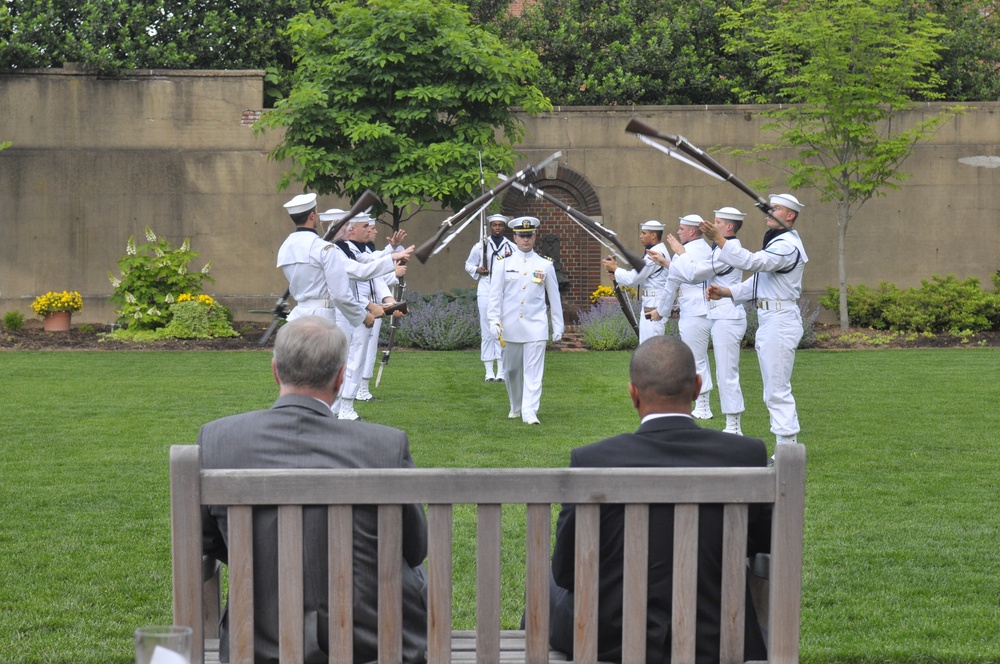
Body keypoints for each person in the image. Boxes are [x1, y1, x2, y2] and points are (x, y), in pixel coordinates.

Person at [199, 316, 428, 664]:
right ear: (340, 378)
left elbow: (205, 540)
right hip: (377, 648)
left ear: (276, 371)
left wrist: (263, 554)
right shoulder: (384, 446)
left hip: (259, 647)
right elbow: (414, 547)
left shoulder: (218, 440)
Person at [547, 335, 771, 664]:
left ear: (633, 393)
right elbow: (763, 543)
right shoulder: (746, 454)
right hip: (718, 637)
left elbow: (567, 572)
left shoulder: (593, 460)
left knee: (547, 583)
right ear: (696, 387)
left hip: (609, 641)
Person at [700, 194, 808, 446]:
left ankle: (786, 446)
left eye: (777, 209)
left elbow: (753, 262)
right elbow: (761, 281)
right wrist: (728, 292)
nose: (770, 212)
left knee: (777, 388)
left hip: (780, 320)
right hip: (771, 318)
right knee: (773, 386)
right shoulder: (777, 242)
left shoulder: (786, 245)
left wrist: (719, 240)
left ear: (790, 215)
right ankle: (785, 442)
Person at [650, 207, 749, 434]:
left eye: (716, 221)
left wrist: (678, 252)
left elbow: (692, 275)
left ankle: (732, 425)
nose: (710, 224)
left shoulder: (729, 248)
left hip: (725, 314)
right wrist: (669, 262)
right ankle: (729, 423)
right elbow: (695, 272)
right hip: (716, 313)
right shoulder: (716, 248)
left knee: (723, 371)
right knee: (719, 370)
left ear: (729, 226)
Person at [332, 214, 410, 421]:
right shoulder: (339, 250)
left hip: (362, 307)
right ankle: (342, 405)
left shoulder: (353, 249)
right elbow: (362, 274)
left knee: (358, 356)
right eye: (365, 226)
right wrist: (370, 305)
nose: (370, 230)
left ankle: (346, 403)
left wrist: (389, 301)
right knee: (348, 359)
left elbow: (372, 272)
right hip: (349, 309)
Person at [487, 216, 564, 425]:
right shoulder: (503, 264)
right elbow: (495, 296)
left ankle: (530, 412)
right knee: (511, 370)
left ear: (534, 236)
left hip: (536, 326)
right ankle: (516, 405)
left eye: (529, 235)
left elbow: (554, 297)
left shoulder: (544, 265)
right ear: (515, 237)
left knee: (533, 372)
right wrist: (493, 320)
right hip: (510, 325)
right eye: (522, 236)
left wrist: (558, 325)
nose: (526, 240)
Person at [275, 193, 372, 330]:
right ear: (312, 215)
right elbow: (340, 294)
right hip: (321, 318)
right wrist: (361, 316)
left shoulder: (285, 247)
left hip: (298, 316)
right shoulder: (324, 248)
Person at [654, 214, 715, 419]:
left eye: (681, 229)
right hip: (712, 308)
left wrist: (660, 312)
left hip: (694, 310)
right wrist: (666, 262)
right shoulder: (708, 249)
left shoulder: (684, 252)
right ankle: (703, 404)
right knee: (702, 358)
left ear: (691, 231)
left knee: (696, 359)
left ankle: (703, 407)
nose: (678, 232)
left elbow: (672, 284)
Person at [465, 213, 516, 382]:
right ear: (490, 226)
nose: (497, 228)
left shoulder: (511, 246)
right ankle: (488, 371)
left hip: (504, 288)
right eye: (494, 225)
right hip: (486, 286)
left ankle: (501, 370)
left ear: (504, 227)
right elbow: (468, 264)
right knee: (487, 329)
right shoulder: (480, 246)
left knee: (501, 329)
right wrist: (478, 270)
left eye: (500, 225)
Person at [601, 220, 669, 342]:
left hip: (654, 303)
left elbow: (634, 278)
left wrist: (615, 270)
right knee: (646, 345)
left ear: (653, 235)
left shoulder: (655, 254)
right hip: (650, 301)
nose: (640, 236)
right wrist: (617, 275)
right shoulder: (654, 251)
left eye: (644, 233)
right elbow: (641, 279)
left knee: (651, 347)